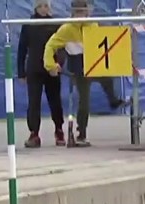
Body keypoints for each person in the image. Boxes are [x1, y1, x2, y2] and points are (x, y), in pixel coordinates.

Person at [44, 0, 94, 147]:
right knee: (84, 100)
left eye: (82, 12)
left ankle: (114, 100)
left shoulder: (94, 26)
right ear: (72, 13)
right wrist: (51, 65)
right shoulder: (66, 29)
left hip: (95, 66)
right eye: (77, 12)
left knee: (107, 84)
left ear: (87, 12)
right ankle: (81, 132)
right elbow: (50, 46)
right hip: (78, 68)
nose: (80, 15)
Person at [17, 0, 65, 148]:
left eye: (46, 6)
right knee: (34, 102)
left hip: (51, 69)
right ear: (36, 8)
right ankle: (34, 133)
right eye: (41, 6)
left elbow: (62, 48)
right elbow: (22, 49)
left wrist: (58, 64)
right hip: (34, 69)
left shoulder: (55, 24)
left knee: (55, 101)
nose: (44, 9)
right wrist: (21, 72)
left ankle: (59, 130)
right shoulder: (29, 25)